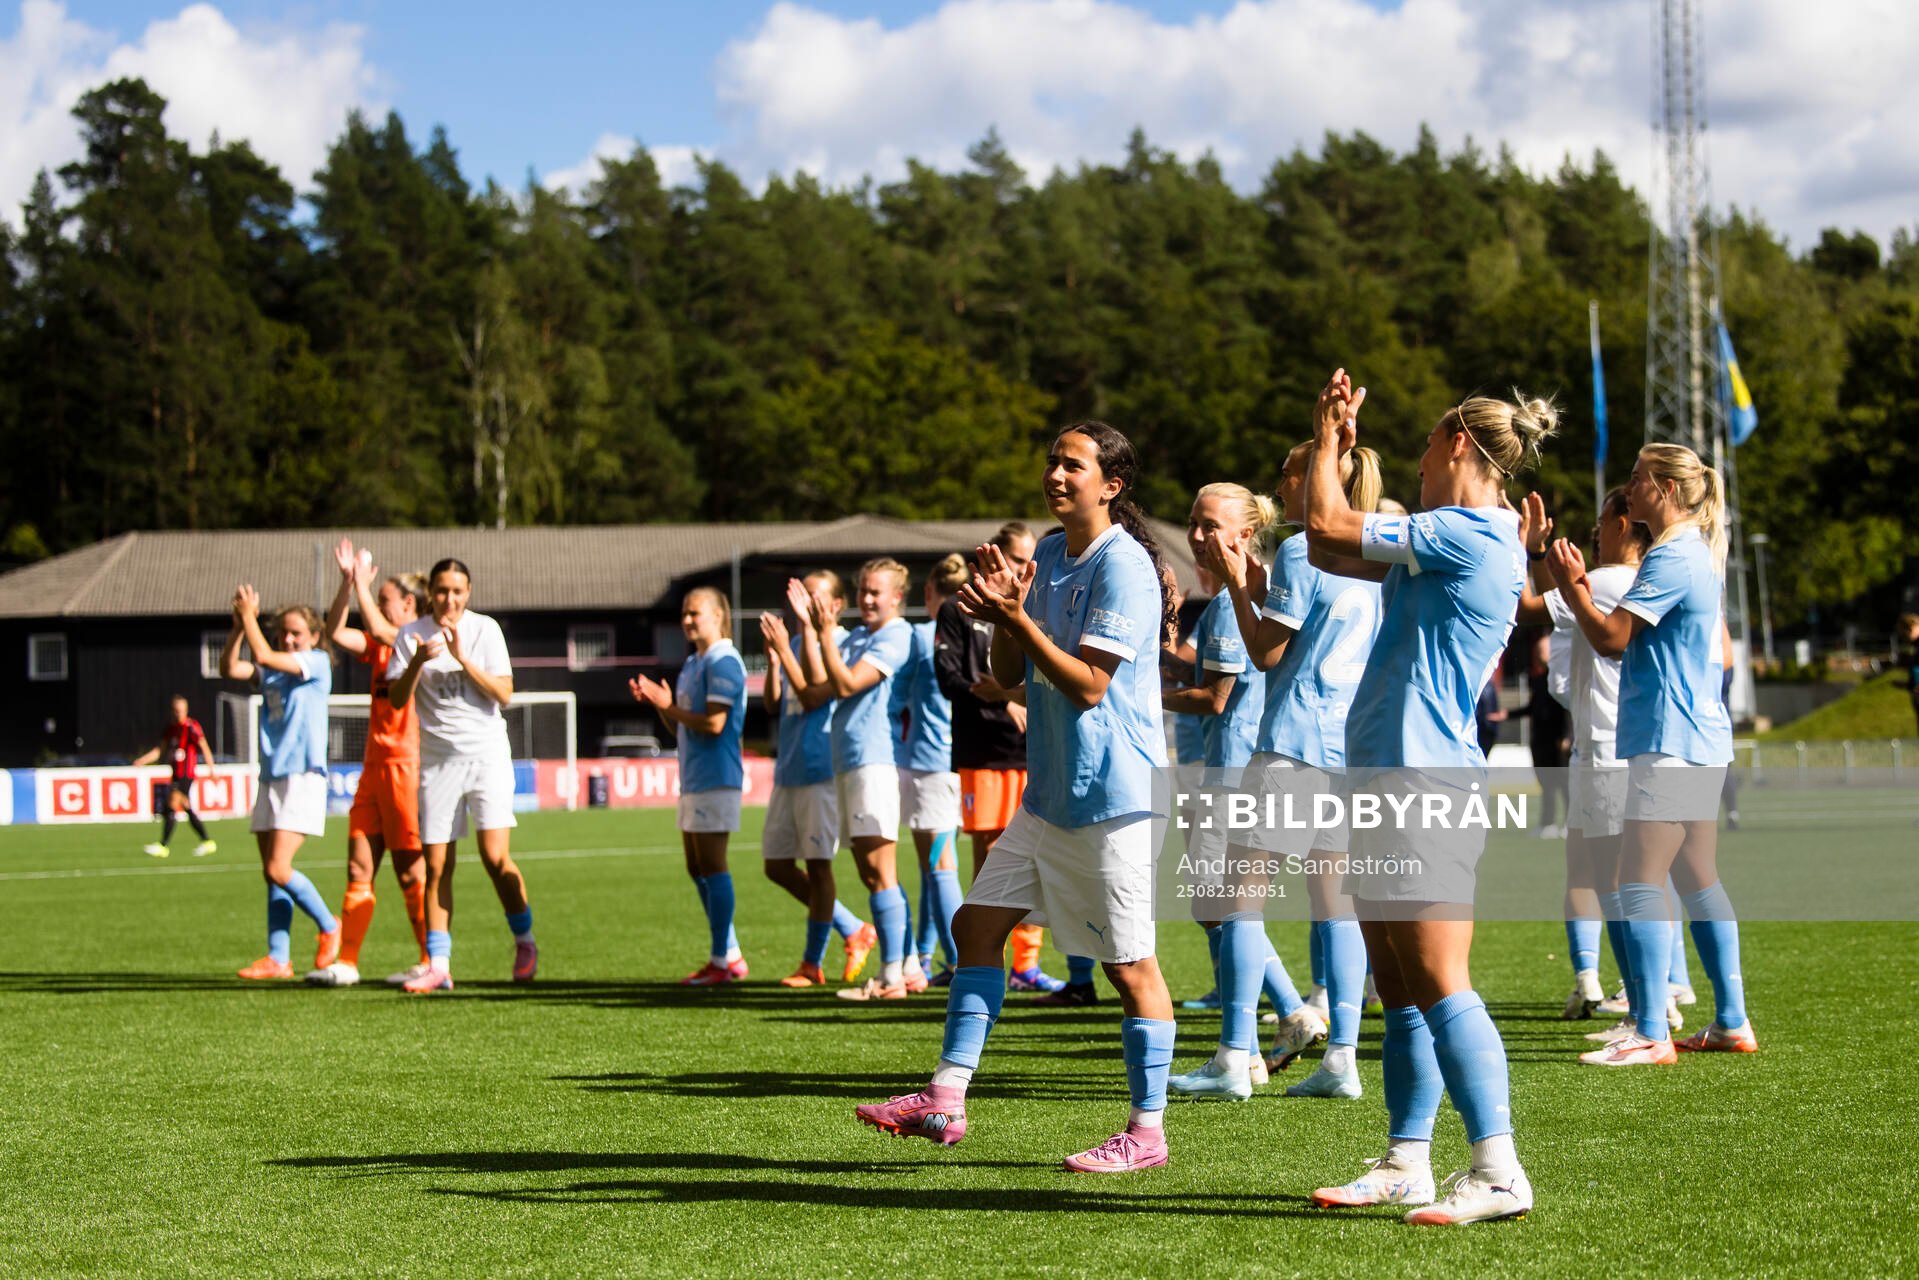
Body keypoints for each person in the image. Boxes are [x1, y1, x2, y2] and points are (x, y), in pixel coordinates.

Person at [856, 421, 1178, 1174]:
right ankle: (945, 1095)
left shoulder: (1123, 566)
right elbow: (1006, 675)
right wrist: (1000, 610)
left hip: (1112, 795)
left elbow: (1090, 685)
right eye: (1052, 462)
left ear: (1112, 485)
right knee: (975, 925)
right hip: (1050, 794)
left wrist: (1017, 616)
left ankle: (1147, 1132)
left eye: (1073, 465)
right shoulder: (1054, 552)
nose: (1056, 474)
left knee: (1130, 968)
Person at [1304, 370, 1551, 1225]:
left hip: (1422, 780)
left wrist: (1331, 442)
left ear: (1455, 445)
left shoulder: (1466, 532)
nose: (1411, 461)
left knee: (1441, 979)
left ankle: (1498, 1169)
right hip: (1385, 775)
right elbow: (1328, 549)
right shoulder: (1452, 535)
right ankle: (1407, 1159)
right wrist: (1329, 451)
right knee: (1398, 982)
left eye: (1419, 446)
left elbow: (1326, 523)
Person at [1548, 443, 1754, 1063]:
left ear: (1663, 488)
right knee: (1697, 879)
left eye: (1638, 480)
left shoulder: (1672, 554)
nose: (1629, 489)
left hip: (1669, 740)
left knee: (1637, 880)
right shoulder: (1693, 551)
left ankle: (1649, 1031)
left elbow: (1611, 638)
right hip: (1696, 737)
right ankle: (1730, 1020)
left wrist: (1572, 587)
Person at [1194, 441, 1385, 1102]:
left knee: (1237, 901)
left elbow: (1267, 652)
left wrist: (1240, 585)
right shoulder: (1375, 551)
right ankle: (1342, 1059)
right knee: (1336, 906)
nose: (1280, 482)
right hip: (1346, 746)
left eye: (1289, 471)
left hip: (1291, 743)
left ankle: (1232, 1057)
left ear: (1318, 479)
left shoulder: (1307, 548)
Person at [1161, 482, 1301, 1101]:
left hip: (1230, 773)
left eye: (1208, 524)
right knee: (1225, 908)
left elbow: (1212, 699)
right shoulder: (1256, 592)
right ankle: (1277, 1025)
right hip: (1254, 766)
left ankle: (1277, 1024)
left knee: (1220, 909)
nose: (1195, 534)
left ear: (1245, 534)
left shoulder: (1231, 602)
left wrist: (1129, 694)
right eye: (1193, 521)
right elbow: (1196, 668)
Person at [1515, 489, 1649, 1022]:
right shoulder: (1648, 582)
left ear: (1623, 523)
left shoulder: (1607, 581)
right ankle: (1654, 994)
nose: (1595, 532)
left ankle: (1642, 1004)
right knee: (1644, 880)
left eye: (1601, 521)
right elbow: (1562, 617)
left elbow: (1526, 610)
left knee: (1606, 883)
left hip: (1603, 749)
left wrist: (1525, 552)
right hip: (1635, 745)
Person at [386, 558, 537, 993]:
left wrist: (462, 659)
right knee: (437, 866)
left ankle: (525, 941)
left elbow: (505, 694)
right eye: (441, 590)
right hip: (437, 763)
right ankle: (439, 964)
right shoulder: (410, 634)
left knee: (495, 858)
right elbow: (396, 701)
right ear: (429, 593)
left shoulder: (485, 630)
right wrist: (417, 662)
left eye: (457, 590)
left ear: (468, 592)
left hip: (486, 757)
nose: (449, 599)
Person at [933, 522, 1069, 996]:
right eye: (1014, 559)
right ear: (993, 559)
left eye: (1028, 559)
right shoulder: (959, 608)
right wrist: (1003, 699)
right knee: (991, 856)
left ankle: (1026, 965)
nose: (1022, 569)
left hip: (1031, 751)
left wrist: (1014, 695)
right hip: (983, 752)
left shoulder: (1037, 605)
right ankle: (984, 953)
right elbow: (951, 678)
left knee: (1040, 858)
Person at [308, 538, 432, 987]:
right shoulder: (381, 643)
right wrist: (348, 584)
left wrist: (362, 581)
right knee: (359, 866)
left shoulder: (416, 638)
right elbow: (336, 632)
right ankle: (348, 963)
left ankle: (429, 959)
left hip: (407, 767)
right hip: (374, 769)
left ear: (409, 605)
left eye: (383, 600)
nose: (374, 607)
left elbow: (384, 631)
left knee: (408, 870)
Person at [808, 559, 923, 1000]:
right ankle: (908, 965)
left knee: (880, 871)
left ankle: (891, 977)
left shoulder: (898, 634)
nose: (868, 600)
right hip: (850, 762)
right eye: (863, 592)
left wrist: (822, 633)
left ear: (898, 597)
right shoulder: (858, 636)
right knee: (870, 871)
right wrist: (811, 628)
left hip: (873, 760)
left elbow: (846, 684)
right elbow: (815, 686)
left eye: (877, 592)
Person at [760, 570, 875, 988]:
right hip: (788, 768)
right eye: (801, 595)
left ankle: (811, 963)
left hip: (820, 767)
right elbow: (774, 704)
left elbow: (812, 690)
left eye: (813, 596)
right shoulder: (792, 641)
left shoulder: (839, 643)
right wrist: (775, 659)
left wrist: (807, 630)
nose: (803, 603)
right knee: (775, 865)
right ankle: (853, 927)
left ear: (836, 605)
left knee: (819, 866)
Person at [632, 587, 750, 986]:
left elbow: (715, 723)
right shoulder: (692, 664)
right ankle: (729, 953)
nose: (686, 620)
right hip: (694, 778)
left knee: (714, 867)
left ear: (718, 615)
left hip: (717, 778)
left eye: (694, 613)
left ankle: (722, 960)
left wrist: (667, 706)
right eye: (684, 613)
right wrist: (661, 705)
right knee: (696, 866)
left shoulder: (724, 662)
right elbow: (681, 722)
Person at [221, 588, 340, 981]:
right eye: (283, 634)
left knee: (278, 867)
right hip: (272, 775)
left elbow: (265, 656)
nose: (288, 640)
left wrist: (251, 617)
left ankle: (329, 924)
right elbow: (229, 669)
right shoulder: (274, 669)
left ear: (314, 637)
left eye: (296, 634)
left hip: (302, 774)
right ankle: (279, 958)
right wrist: (240, 627)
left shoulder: (317, 662)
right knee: (271, 872)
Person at [894, 554, 966, 983]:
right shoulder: (979, 630)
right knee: (935, 864)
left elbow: (893, 697)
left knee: (940, 868)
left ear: (927, 594)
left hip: (927, 765)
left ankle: (961, 961)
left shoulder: (923, 635)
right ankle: (926, 953)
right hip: (961, 763)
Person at [133, 696, 217, 859]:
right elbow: (159, 750)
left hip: (186, 774)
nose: (178, 714)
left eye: (181, 711)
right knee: (185, 806)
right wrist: (143, 760)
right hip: (176, 774)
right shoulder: (171, 728)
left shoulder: (192, 727)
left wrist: (211, 769)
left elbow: (204, 746)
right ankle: (207, 841)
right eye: (176, 711)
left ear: (186, 710)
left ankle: (163, 846)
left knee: (171, 803)